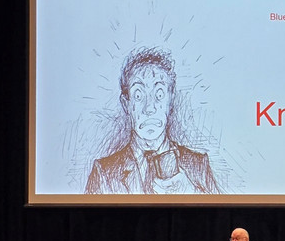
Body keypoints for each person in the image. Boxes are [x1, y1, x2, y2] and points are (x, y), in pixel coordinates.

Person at [86, 47, 218, 194]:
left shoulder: (198, 165)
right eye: (138, 96)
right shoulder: (104, 172)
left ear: (171, 100)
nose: (150, 108)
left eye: (159, 94)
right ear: (126, 104)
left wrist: (190, 192)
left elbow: (218, 214)